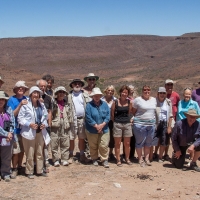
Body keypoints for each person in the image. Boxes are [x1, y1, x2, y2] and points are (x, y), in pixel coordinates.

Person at [18, 86, 50, 179]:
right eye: (34, 93)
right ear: (31, 94)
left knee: (39, 151)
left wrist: (44, 124)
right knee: (30, 152)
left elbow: (45, 116)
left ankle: (40, 170)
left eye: (37, 93)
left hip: (40, 132)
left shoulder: (42, 105)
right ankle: (29, 171)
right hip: (28, 132)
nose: (36, 95)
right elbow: (20, 118)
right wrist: (29, 124)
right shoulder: (25, 105)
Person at [7, 81, 29, 179]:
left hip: (24, 129)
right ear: (15, 90)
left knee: (22, 150)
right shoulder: (11, 100)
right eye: (19, 87)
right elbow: (12, 115)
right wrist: (20, 105)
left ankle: (20, 166)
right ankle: (14, 168)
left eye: (22, 88)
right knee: (15, 151)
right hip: (14, 129)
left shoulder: (27, 99)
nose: (21, 89)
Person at [132, 85, 157, 167]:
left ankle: (146, 159)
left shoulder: (154, 100)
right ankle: (140, 159)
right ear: (142, 91)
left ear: (150, 91)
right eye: (145, 90)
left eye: (148, 90)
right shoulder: (137, 100)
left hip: (151, 125)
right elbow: (133, 111)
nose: (147, 91)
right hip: (139, 125)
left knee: (148, 143)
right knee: (139, 143)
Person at [85, 87, 110, 168]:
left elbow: (108, 116)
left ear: (100, 96)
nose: (96, 97)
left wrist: (102, 125)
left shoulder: (105, 104)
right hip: (92, 129)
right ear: (92, 96)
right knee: (93, 145)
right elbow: (88, 117)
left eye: (98, 95)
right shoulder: (89, 105)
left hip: (104, 128)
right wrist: (96, 126)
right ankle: (94, 158)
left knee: (103, 144)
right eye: (95, 95)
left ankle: (104, 159)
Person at [68, 79, 90, 163]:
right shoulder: (69, 95)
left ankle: (81, 155)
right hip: (72, 120)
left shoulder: (85, 95)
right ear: (72, 85)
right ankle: (70, 155)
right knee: (71, 138)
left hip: (82, 119)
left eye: (79, 84)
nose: (77, 85)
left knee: (81, 138)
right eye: (75, 84)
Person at [111, 85, 133, 166]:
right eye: (123, 92)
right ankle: (118, 159)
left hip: (127, 124)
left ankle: (127, 158)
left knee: (127, 143)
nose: (124, 94)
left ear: (128, 94)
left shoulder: (129, 102)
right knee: (118, 143)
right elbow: (112, 114)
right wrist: (115, 122)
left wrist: (129, 121)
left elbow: (129, 113)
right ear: (120, 92)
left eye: (126, 92)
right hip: (117, 124)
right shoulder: (115, 102)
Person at [51, 86, 70, 166]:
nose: (61, 94)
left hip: (65, 123)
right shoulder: (53, 103)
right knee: (54, 141)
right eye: (60, 92)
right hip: (55, 123)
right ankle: (55, 160)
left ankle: (64, 159)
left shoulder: (67, 104)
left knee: (65, 141)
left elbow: (70, 114)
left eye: (63, 92)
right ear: (57, 94)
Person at [162, 79, 180, 160]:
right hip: (164, 118)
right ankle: (160, 153)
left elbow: (179, 106)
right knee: (163, 137)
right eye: (168, 85)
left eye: (171, 85)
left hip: (173, 119)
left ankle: (169, 154)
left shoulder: (176, 95)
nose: (169, 86)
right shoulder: (163, 94)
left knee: (172, 138)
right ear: (165, 86)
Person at [36, 79, 52, 168]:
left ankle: (45, 161)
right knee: (37, 145)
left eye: (44, 86)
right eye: (41, 86)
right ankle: (37, 163)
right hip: (36, 126)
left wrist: (49, 124)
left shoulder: (48, 98)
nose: (42, 88)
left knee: (46, 144)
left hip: (45, 126)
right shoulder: (33, 97)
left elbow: (49, 111)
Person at [0, 91, 15, 182]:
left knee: (6, 156)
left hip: (7, 139)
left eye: (2, 99)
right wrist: (6, 134)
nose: (1, 101)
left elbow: (12, 122)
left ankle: (5, 173)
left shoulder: (9, 110)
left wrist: (10, 133)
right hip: (4, 135)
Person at [83, 73, 99, 157]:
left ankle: (94, 153)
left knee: (94, 135)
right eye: (90, 79)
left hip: (95, 116)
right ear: (87, 80)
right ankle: (86, 153)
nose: (92, 81)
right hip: (85, 116)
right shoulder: (83, 90)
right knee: (86, 135)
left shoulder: (97, 90)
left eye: (93, 79)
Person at [155, 87, 173, 162]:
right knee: (154, 140)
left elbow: (170, 115)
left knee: (163, 139)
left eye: (163, 93)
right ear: (158, 93)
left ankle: (160, 157)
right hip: (156, 123)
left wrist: (169, 126)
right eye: (160, 93)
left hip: (165, 122)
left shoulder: (168, 102)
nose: (162, 94)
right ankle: (153, 154)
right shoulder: (154, 101)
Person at [101, 85, 117, 161]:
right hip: (103, 121)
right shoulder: (101, 100)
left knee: (112, 137)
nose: (110, 92)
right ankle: (103, 154)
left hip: (112, 121)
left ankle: (111, 153)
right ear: (106, 91)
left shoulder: (115, 100)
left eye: (112, 91)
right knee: (103, 137)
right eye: (109, 90)